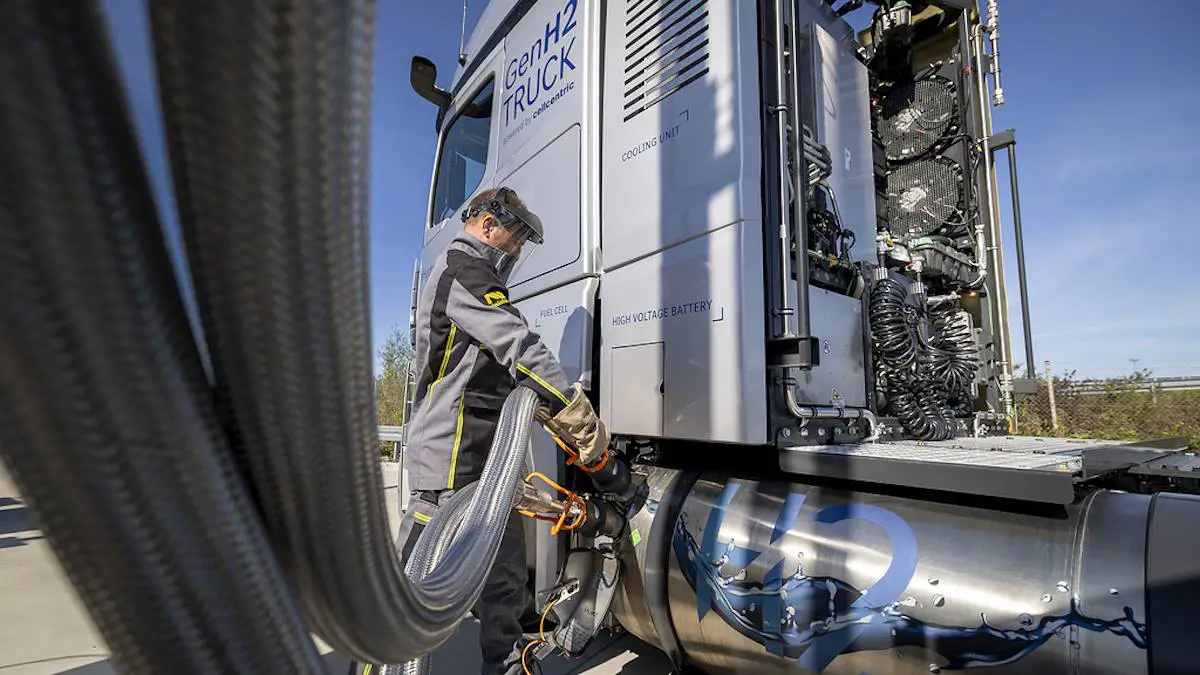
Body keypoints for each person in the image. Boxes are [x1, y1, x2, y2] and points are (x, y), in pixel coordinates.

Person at [398, 186, 609, 674]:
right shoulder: (462, 270)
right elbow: (520, 346)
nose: (514, 250)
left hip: (488, 461)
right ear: (486, 224)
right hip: (450, 459)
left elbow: (501, 370)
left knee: (505, 576)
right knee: (414, 585)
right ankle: (380, 662)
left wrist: (542, 411)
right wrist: (576, 413)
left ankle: (507, 663)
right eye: (513, 238)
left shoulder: (480, 280)